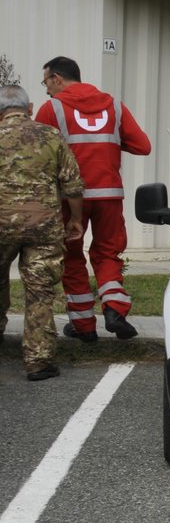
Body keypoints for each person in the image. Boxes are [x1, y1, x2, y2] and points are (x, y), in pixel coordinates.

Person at [36, 56, 151, 341]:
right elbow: (143, 146)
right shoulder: (114, 106)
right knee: (107, 252)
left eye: (46, 82)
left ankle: (83, 326)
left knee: (72, 256)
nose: (47, 90)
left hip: (68, 197)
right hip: (109, 194)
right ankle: (114, 308)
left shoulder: (52, 108)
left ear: (57, 79)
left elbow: (40, 155)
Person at [0, 83, 84, 381]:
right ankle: (38, 362)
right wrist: (75, 219)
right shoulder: (50, 135)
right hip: (44, 226)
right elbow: (72, 183)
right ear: (31, 109)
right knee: (39, 293)